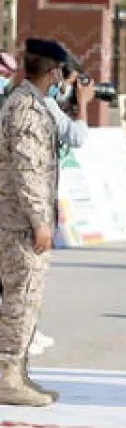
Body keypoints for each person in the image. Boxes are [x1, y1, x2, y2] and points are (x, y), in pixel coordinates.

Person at [0, 39, 84, 405]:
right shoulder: (27, 109)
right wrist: (40, 220)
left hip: (19, 217)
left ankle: (18, 373)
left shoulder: (27, 103)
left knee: (26, 299)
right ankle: (7, 377)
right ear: (52, 72)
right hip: (18, 222)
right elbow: (28, 170)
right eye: (60, 73)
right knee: (21, 300)